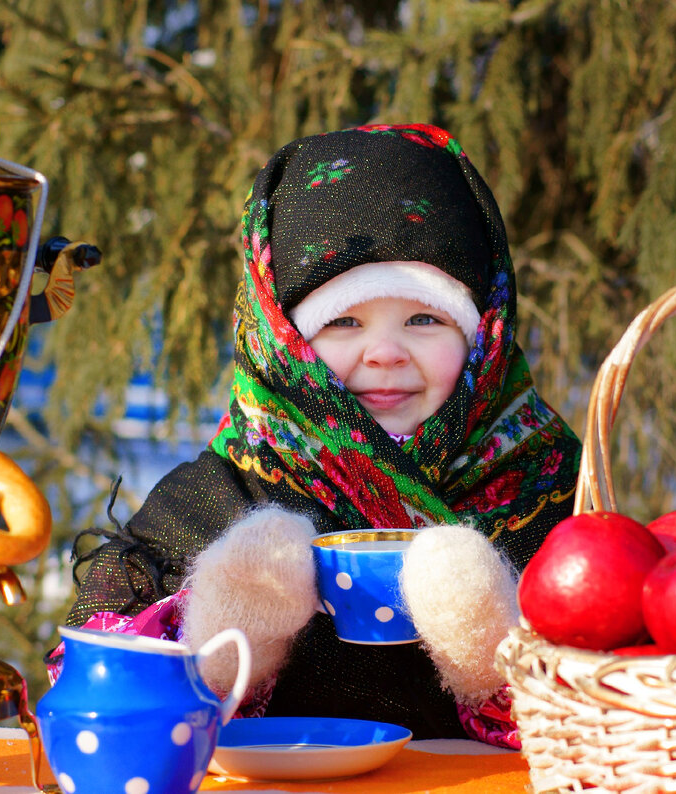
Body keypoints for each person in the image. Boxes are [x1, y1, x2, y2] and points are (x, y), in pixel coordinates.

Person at [55, 123, 581, 747]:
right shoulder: (216, 498)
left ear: (482, 336)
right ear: (284, 342)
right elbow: (92, 697)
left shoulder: (550, 488)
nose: (384, 351)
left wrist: (492, 653)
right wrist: (222, 640)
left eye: (424, 317)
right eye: (343, 322)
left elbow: (625, 709)